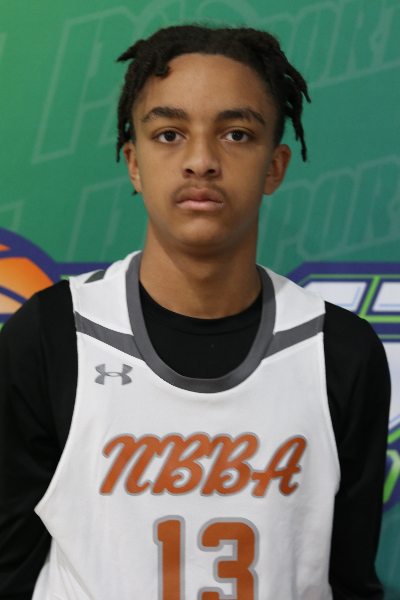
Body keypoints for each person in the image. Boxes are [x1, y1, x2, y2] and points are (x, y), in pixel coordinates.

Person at [0, 25, 390, 600]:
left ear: (275, 165)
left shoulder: (338, 351)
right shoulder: (54, 335)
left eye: (236, 134)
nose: (201, 161)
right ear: (133, 163)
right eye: (169, 134)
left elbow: (350, 581)